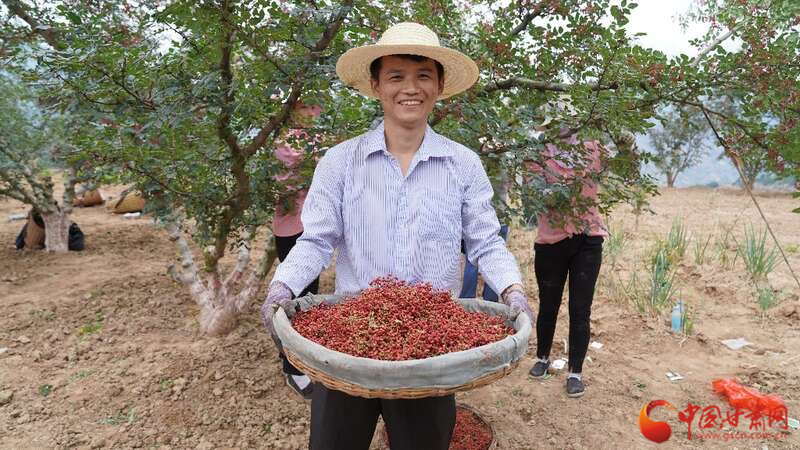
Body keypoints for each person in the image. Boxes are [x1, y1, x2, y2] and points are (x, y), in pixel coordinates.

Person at [260, 22, 533, 450]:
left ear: (440, 85)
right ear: (375, 84)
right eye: (396, 76)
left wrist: (514, 290)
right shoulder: (340, 162)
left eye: (423, 75)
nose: (411, 88)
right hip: (350, 345)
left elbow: (485, 240)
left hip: (430, 352)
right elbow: (316, 240)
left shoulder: (462, 164)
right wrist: (283, 286)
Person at [526, 101, 608, 398]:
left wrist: (627, 140)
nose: (562, 127)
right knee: (548, 304)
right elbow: (535, 196)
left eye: (566, 120)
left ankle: (575, 372)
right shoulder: (534, 155)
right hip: (551, 241)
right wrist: (561, 190)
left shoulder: (593, 149)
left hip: (588, 238)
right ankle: (542, 358)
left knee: (580, 309)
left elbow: (627, 165)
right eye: (555, 122)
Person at [272, 100, 322, 400]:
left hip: (311, 228)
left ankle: (302, 358)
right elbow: (287, 182)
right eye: (307, 108)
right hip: (292, 229)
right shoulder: (284, 143)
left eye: (315, 108)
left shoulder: (314, 139)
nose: (313, 113)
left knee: (309, 297)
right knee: (296, 299)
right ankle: (293, 369)